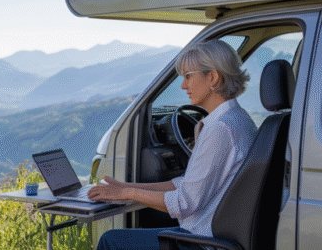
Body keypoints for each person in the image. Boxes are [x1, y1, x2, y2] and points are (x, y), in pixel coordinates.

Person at [88, 40, 257, 250]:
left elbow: (184, 202)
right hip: (215, 235)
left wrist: (126, 194)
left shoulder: (220, 129)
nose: (183, 85)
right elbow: (188, 184)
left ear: (213, 77)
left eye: (188, 76)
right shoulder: (238, 119)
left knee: (111, 241)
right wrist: (127, 187)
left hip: (201, 242)